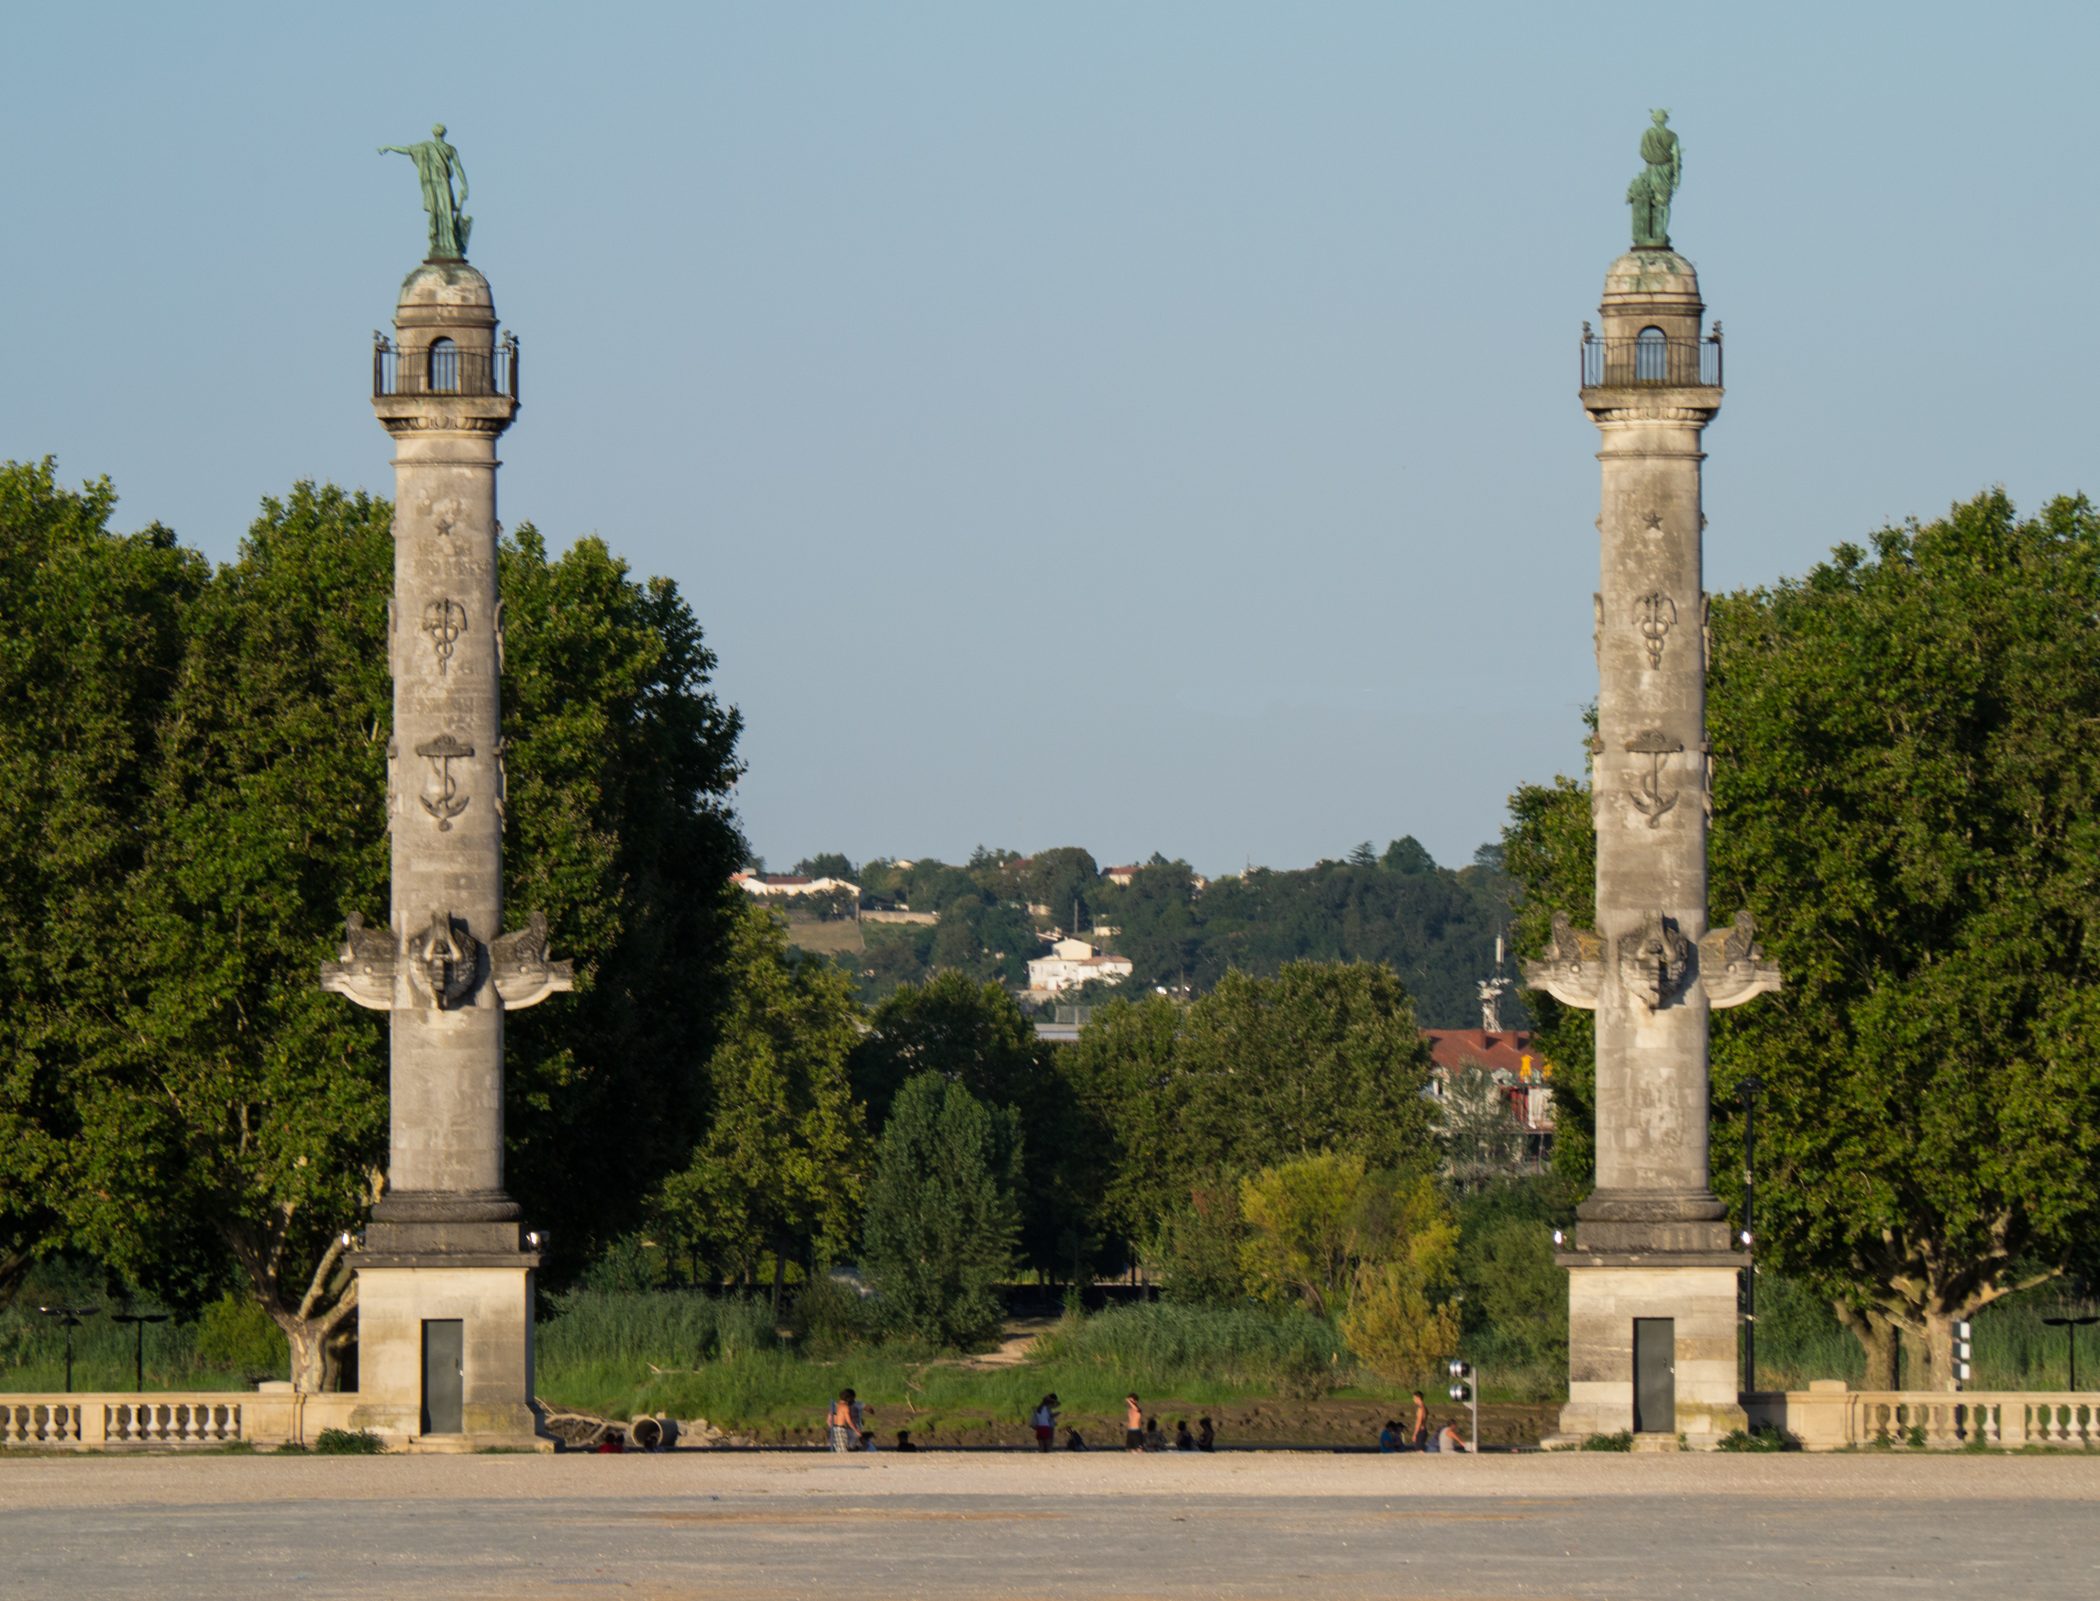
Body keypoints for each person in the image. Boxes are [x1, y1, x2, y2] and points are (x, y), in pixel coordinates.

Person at [828, 1388, 859, 1453]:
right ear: (849, 1398)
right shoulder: (845, 1407)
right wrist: (856, 1430)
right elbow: (849, 1421)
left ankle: (852, 1448)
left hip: (835, 1428)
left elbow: (829, 1420)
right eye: (853, 1398)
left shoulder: (835, 1406)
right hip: (841, 1429)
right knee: (843, 1451)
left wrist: (832, 1428)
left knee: (839, 1449)